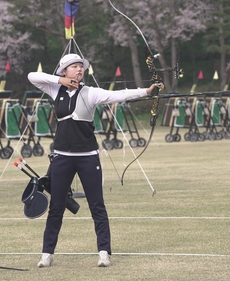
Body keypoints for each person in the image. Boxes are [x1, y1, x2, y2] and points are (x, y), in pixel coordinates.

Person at [27, 53, 163, 268]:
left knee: (97, 205)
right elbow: (32, 76)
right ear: (64, 70)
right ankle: (47, 253)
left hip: (88, 157)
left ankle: (104, 252)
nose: (80, 70)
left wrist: (145, 91)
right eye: (74, 66)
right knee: (56, 207)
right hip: (62, 157)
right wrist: (60, 81)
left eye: (81, 67)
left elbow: (118, 95)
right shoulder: (55, 89)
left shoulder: (91, 93)